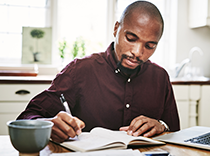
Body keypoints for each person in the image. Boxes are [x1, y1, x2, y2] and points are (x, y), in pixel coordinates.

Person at [17, 1, 180, 143]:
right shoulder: (79, 70)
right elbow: (27, 118)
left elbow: (175, 132)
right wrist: (48, 125)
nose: (137, 52)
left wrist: (162, 125)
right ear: (116, 29)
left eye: (150, 46)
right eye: (131, 38)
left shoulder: (160, 77)